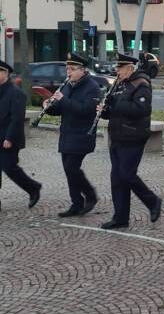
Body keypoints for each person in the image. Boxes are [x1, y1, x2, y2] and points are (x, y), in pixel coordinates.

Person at [98, 53, 162, 230]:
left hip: (133, 136)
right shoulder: (120, 83)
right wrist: (104, 110)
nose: (117, 71)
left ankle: (153, 201)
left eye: (120, 68)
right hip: (117, 135)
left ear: (130, 68)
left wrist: (115, 103)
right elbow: (114, 110)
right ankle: (120, 217)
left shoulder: (141, 84)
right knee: (117, 179)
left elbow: (141, 109)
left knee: (127, 174)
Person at [45, 52, 101, 217]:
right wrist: (49, 106)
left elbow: (85, 110)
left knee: (72, 168)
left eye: (72, 69)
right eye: (67, 69)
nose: (68, 72)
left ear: (82, 70)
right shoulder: (67, 85)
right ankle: (76, 203)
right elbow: (61, 109)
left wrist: (63, 100)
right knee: (69, 170)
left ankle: (90, 194)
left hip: (83, 134)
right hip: (67, 134)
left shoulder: (92, 87)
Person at [0, 59, 41, 209]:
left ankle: (33, 187)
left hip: (8, 138)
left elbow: (16, 119)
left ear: (5, 73)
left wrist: (9, 138)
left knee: (10, 167)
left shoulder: (16, 93)